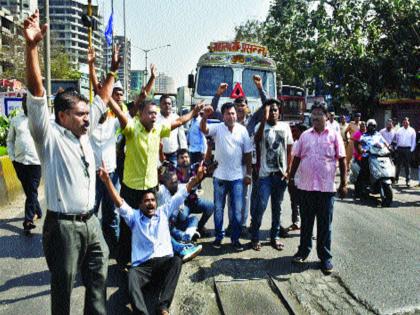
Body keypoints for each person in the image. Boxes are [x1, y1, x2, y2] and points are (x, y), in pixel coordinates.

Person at [23, 10, 120, 314]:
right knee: (62, 289)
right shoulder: (47, 135)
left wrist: (113, 70)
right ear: (62, 116)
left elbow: (102, 97)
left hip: (91, 222)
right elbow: (37, 93)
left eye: (86, 114)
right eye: (80, 114)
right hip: (63, 227)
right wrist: (32, 48)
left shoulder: (83, 133)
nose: (86, 118)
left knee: (98, 280)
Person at [98, 158, 206, 315]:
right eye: (146, 201)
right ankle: (142, 313)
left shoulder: (164, 212)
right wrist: (108, 181)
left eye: (152, 200)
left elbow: (182, 193)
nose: (150, 203)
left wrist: (197, 179)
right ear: (140, 205)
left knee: (176, 260)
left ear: (156, 203)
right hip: (142, 268)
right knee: (131, 276)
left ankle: (163, 307)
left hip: (163, 264)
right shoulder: (134, 217)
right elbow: (119, 202)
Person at [110, 89, 204, 266]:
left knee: (154, 224)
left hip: (151, 187)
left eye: (156, 113)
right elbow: (118, 111)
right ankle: (123, 261)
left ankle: (151, 256)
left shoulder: (158, 130)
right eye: (150, 113)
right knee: (127, 226)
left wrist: (194, 112)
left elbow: (180, 120)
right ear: (141, 114)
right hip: (131, 187)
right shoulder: (131, 128)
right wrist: (105, 93)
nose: (154, 116)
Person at [288, 102, 347, 275]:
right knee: (306, 223)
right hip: (306, 187)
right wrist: (291, 178)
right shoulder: (305, 135)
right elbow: (297, 158)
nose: (315, 117)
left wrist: (344, 183)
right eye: (313, 114)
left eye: (319, 113)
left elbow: (342, 160)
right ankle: (303, 251)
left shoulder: (335, 136)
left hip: (326, 188)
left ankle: (325, 257)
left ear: (327, 116)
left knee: (324, 225)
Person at [200, 102, 253, 251]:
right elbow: (204, 129)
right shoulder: (218, 128)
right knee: (218, 209)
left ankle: (235, 239)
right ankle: (218, 237)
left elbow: (248, 154)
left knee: (237, 211)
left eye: (233, 113)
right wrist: (204, 117)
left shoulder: (243, 131)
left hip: (237, 178)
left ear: (237, 115)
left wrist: (248, 174)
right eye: (228, 114)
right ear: (223, 116)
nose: (231, 116)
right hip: (220, 177)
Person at [250, 99, 293, 251]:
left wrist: (288, 171)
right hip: (265, 176)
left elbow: (289, 150)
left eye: (275, 110)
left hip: (280, 175)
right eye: (270, 110)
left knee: (278, 207)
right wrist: (264, 118)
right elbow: (257, 139)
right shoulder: (259, 127)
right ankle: (254, 237)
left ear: (279, 112)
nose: (273, 112)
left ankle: (275, 237)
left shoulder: (285, 127)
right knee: (260, 206)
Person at [6, 95, 42, 234]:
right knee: (29, 190)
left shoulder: (40, 120)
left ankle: (28, 221)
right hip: (19, 162)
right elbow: (10, 140)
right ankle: (37, 210)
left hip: (36, 162)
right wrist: (12, 157)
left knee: (32, 190)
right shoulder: (16, 121)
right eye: (25, 103)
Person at [176, 149, 214, 235]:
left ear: (189, 158)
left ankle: (199, 228)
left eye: (186, 157)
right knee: (183, 216)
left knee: (211, 206)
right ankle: (185, 230)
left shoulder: (195, 168)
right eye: (181, 157)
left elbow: (206, 163)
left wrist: (209, 147)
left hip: (195, 201)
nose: (184, 159)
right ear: (177, 160)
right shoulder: (174, 173)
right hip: (183, 204)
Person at [287, 123, 308, 232]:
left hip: (306, 179)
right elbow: (291, 160)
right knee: (294, 202)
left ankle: (307, 227)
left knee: (306, 204)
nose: (293, 134)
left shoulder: (308, 143)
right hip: (295, 178)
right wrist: (290, 177)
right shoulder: (295, 143)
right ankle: (296, 222)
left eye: (295, 131)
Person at [157, 94, 188, 166]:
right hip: (158, 154)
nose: (167, 105)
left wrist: (184, 151)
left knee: (173, 176)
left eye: (169, 104)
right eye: (164, 103)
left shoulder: (176, 118)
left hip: (173, 155)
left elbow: (182, 136)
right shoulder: (156, 118)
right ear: (160, 105)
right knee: (160, 175)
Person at [395, 117, 416, 186]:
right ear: (402, 123)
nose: (405, 123)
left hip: (407, 149)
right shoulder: (399, 130)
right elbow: (397, 139)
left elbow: (413, 141)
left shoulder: (412, 130)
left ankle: (408, 180)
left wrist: (411, 150)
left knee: (407, 165)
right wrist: (396, 147)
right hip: (400, 149)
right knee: (398, 165)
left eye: (406, 122)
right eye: (404, 122)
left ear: (409, 122)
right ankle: (396, 179)